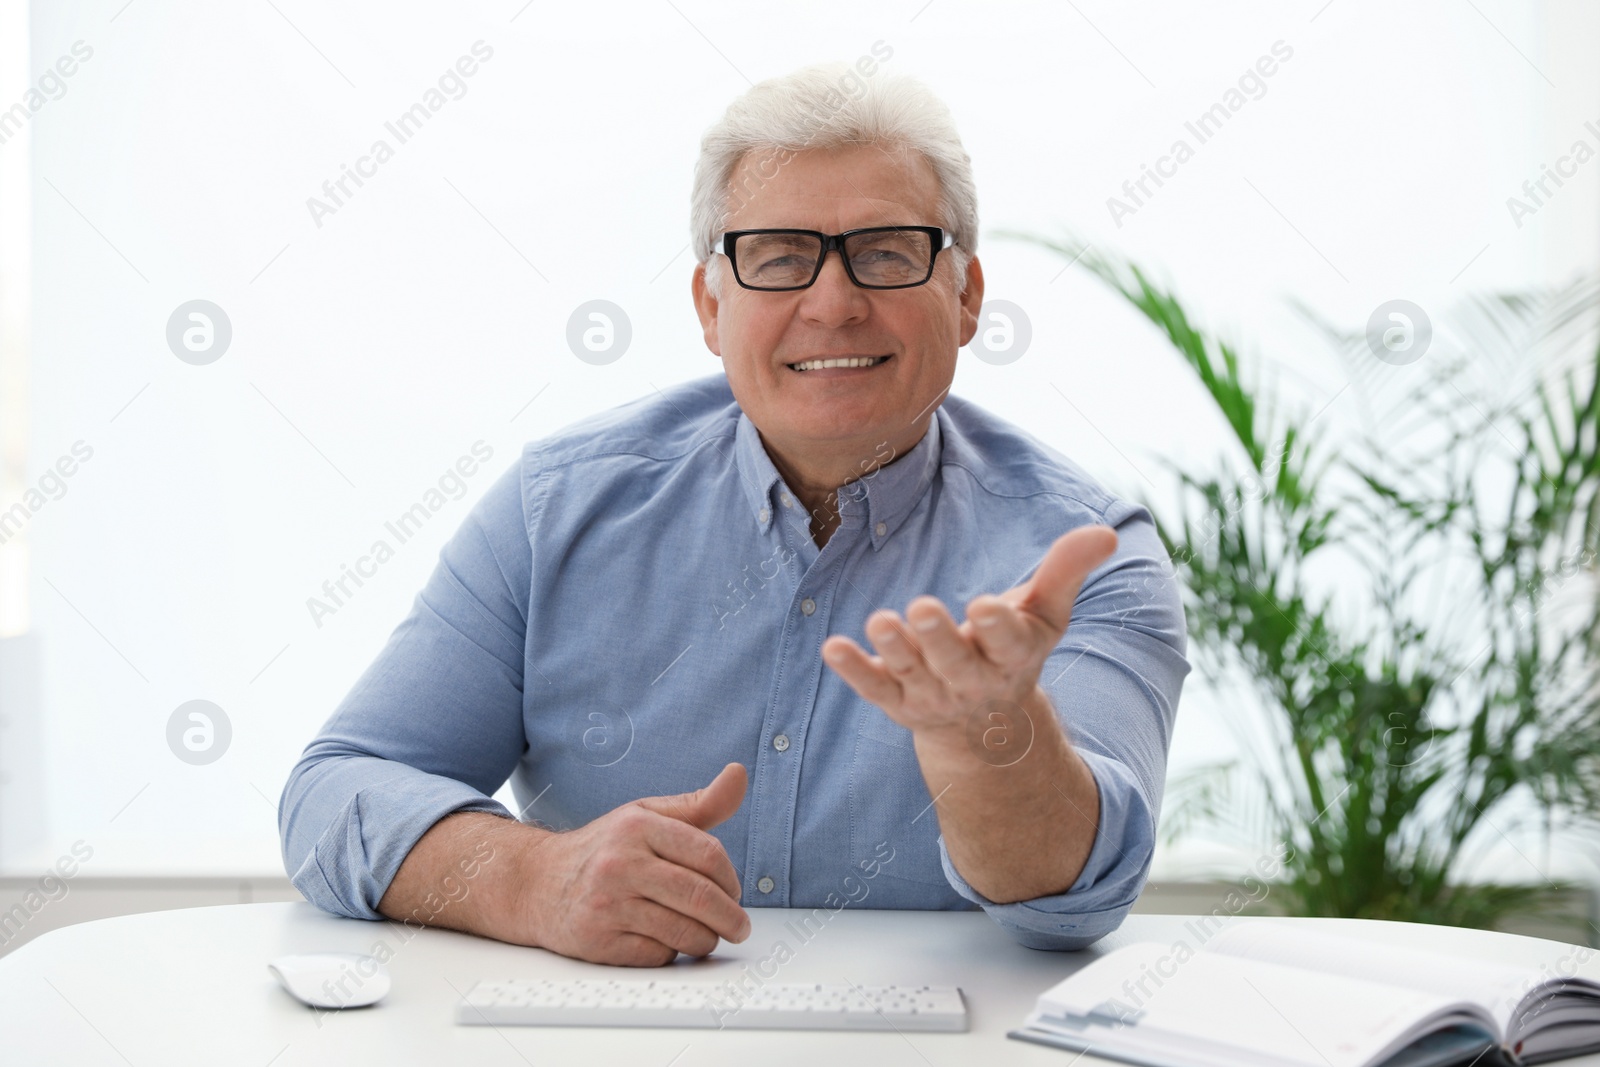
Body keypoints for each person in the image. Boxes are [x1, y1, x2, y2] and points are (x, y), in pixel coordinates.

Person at [277, 60, 1190, 967]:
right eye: (780, 257)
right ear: (711, 305)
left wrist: (990, 739)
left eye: (885, 250)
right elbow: (334, 793)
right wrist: (533, 879)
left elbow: (1077, 904)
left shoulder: (1088, 555)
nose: (832, 304)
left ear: (967, 298)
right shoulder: (554, 509)